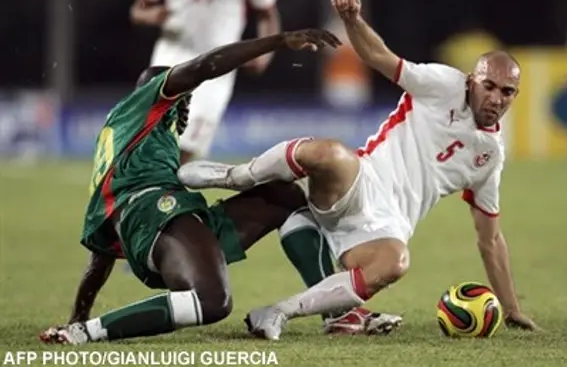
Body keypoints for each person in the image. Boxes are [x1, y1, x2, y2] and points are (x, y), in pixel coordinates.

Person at [178, 0, 539, 340]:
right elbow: (382, 57)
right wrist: (352, 20)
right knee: (330, 154)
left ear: (514, 96)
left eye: (506, 92)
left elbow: (489, 239)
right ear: (473, 80)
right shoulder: (444, 84)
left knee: (396, 262)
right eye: (488, 85)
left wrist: (510, 308)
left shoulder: (490, 155)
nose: (495, 98)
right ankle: (233, 176)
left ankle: (280, 312)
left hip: (386, 224)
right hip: (362, 177)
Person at [39, 28, 400, 345]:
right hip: (156, 211)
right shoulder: (150, 100)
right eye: (183, 98)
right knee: (212, 302)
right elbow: (204, 66)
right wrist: (277, 41)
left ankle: (336, 314)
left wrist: (77, 313)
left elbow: (102, 252)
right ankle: (93, 333)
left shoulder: (127, 137)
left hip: (165, 215)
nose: (186, 108)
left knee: (284, 196)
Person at [131, 0, 281, 163]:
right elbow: (138, 10)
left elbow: (267, 15)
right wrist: (151, 15)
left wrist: (265, 55)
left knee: (189, 144)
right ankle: (138, 189)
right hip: (171, 56)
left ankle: (163, 192)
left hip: (218, 65)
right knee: (152, 133)